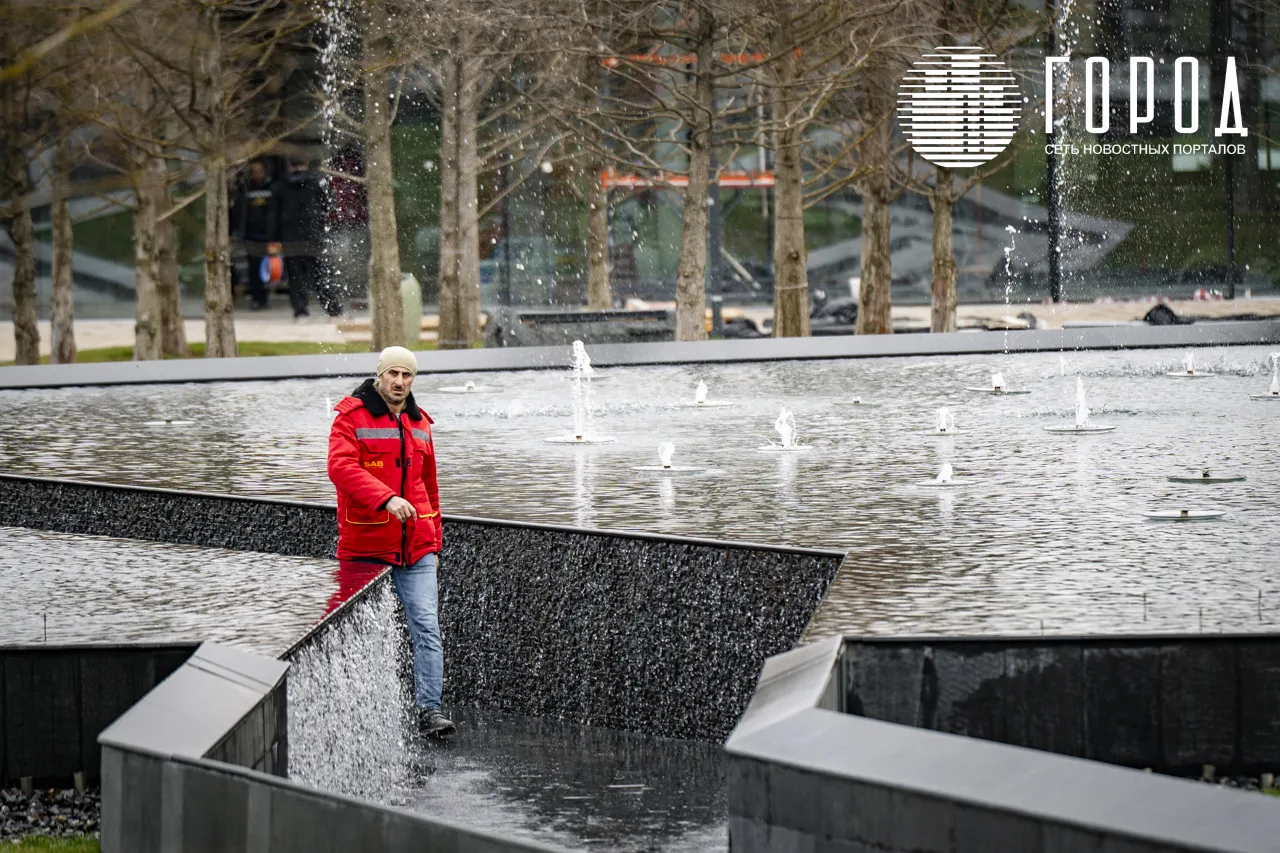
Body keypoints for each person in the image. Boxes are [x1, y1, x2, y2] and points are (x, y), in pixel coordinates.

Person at [327, 346, 454, 738]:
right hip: (365, 544)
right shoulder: (351, 417)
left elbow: (430, 488)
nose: (399, 382)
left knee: (427, 628)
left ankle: (430, 711)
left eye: (407, 375)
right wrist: (386, 498)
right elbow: (340, 467)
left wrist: (435, 543)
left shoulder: (420, 423)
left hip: (417, 546)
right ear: (379, 375)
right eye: (393, 374)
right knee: (352, 632)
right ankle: (348, 709)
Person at [279, 158, 341, 320]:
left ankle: (300, 309)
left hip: (290, 237)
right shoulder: (316, 183)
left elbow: (274, 213)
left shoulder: (280, 186)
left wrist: (273, 237)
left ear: (289, 165)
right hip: (312, 235)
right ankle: (332, 308)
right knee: (320, 274)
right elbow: (329, 204)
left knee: (295, 277)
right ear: (305, 163)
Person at [230, 159, 281, 310]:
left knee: (270, 268)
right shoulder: (245, 190)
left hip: (270, 237)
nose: (257, 175)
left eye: (259, 171)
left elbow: (278, 213)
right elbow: (237, 213)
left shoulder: (273, 189)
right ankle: (257, 298)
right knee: (253, 269)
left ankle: (264, 297)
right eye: (254, 172)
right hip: (251, 237)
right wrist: (233, 232)